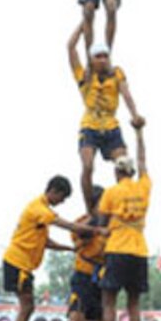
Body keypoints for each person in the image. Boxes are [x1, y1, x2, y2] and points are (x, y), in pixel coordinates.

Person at [2, 175, 100, 321]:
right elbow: (68, 226)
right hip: (18, 262)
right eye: (62, 198)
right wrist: (95, 230)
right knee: (27, 306)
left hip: (23, 264)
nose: (61, 202)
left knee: (28, 306)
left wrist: (68, 248)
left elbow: (45, 241)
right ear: (54, 191)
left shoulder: (41, 210)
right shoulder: (39, 209)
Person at [67, 26, 144, 211]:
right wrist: (83, 26)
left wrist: (135, 115)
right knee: (87, 166)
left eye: (105, 56)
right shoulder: (84, 76)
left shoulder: (116, 73)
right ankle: (89, 208)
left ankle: (123, 203)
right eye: (98, 57)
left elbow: (126, 94)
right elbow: (71, 48)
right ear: (91, 60)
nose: (102, 60)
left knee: (125, 165)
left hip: (111, 125)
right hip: (90, 125)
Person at [99, 123, 152, 321]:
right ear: (131, 172)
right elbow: (143, 161)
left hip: (117, 249)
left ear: (117, 173)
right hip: (139, 250)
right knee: (134, 304)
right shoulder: (143, 187)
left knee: (109, 302)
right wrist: (140, 134)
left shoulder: (110, 193)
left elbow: (101, 221)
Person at [68, 185, 108, 321]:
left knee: (104, 318)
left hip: (103, 275)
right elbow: (76, 242)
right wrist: (92, 228)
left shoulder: (111, 225)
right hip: (83, 274)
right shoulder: (81, 222)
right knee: (79, 317)